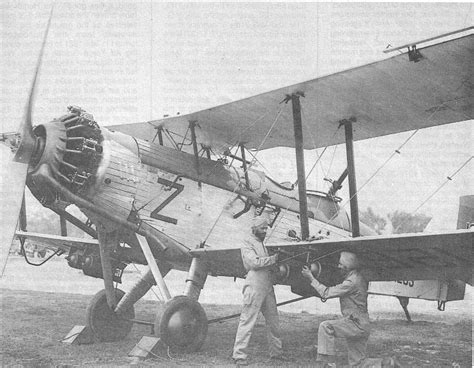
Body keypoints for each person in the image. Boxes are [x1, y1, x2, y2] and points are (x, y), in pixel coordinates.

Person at [301, 251, 400, 368]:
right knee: (357, 364)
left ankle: (328, 364)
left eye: (340, 264)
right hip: (362, 325)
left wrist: (311, 277)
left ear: (347, 267)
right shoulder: (358, 278)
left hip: (355, 324)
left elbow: (326, 293)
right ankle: (387, 363)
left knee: (325, 326)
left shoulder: (351, 282)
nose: (338, 267)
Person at [232, 217, 286, 366]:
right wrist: (274, 259)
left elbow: (265, 263)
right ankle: (239, 356)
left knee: (273, 321)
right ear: (254, 228)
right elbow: (253, 263)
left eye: (266, 228)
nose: (265, 231)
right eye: (263, 228)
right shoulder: (247, 243)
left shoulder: (262, 243)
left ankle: (276, 353)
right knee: (247, 321)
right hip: (254, 286)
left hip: (267, 286)